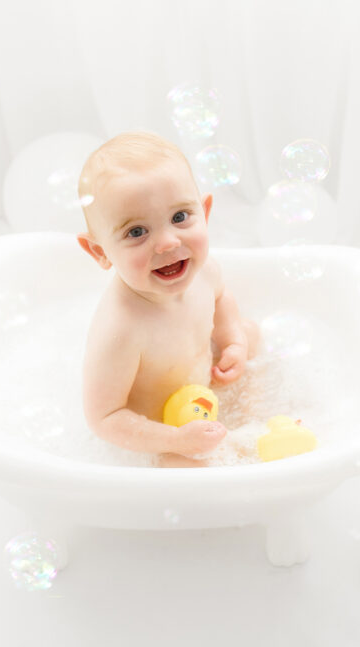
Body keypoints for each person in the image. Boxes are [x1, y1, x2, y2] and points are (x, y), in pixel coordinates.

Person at [76, 131, 259, 467]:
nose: (167, 242)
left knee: (250, 333)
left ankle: (251, 419)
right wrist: (177, 440)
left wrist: (231, 340)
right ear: (100, 252)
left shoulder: (204, 272)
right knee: (182, 466)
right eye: (136, 232)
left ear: (204, 212)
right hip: (160, 426)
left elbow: (221, 299)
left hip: (205, 387)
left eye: (179, 217)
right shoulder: (121, 328)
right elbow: (104, 417)